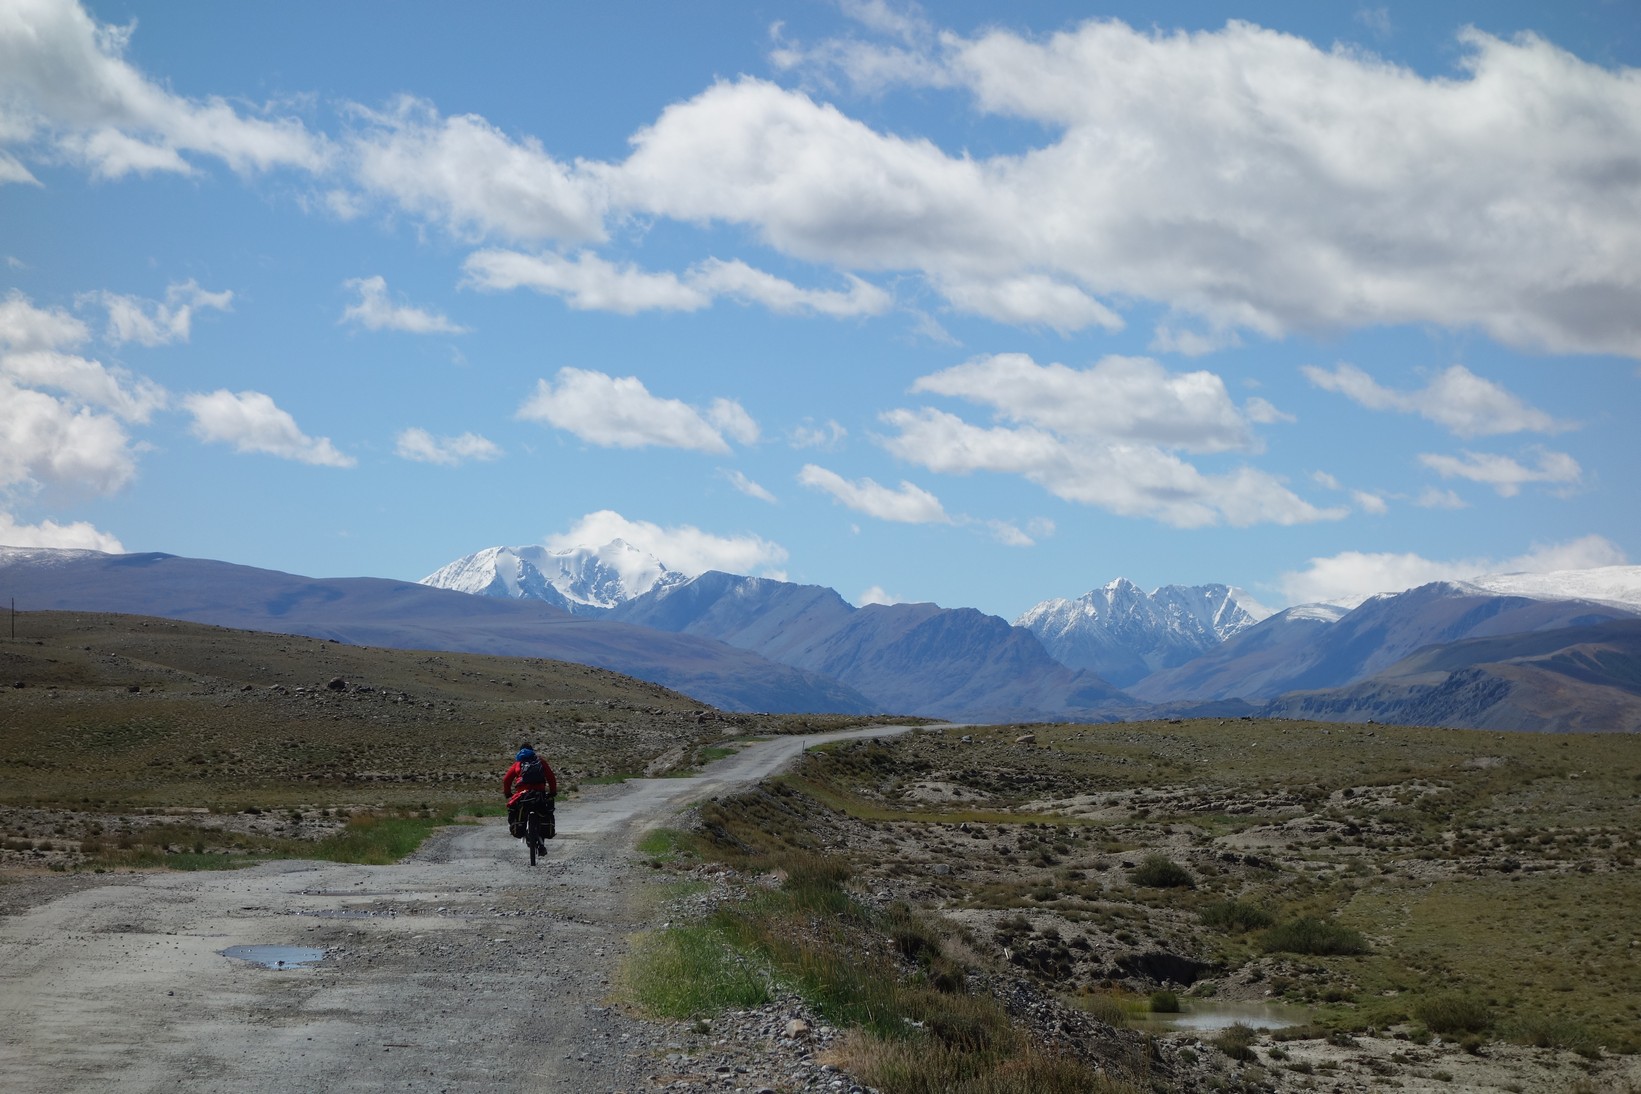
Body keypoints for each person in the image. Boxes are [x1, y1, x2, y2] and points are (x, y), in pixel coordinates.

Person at [503, 743, 558, 839]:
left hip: (522, 794)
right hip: (539, 792)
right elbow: (551, 777)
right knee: (544, 811)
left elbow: (507, 779)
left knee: (516, 810)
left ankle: (519, 829)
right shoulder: (540, 761)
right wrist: (552, 791)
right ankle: (542, 839)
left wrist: (508, 793)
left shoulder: (518, 764)